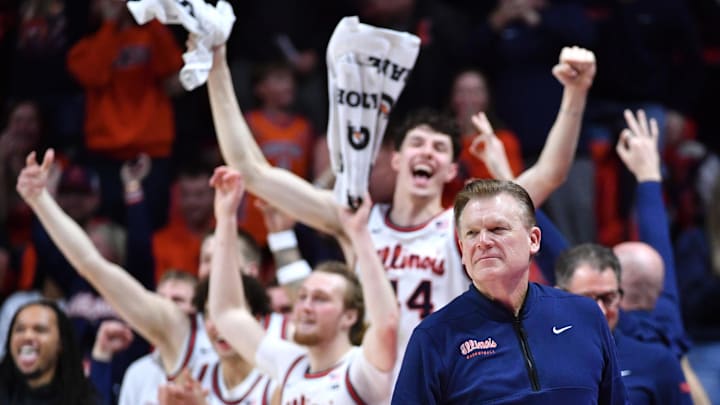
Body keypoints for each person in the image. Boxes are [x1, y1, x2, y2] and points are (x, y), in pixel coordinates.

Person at [208, 42, 596, 378]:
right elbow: (253, 172)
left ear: (449, 170)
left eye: (439, 148)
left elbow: (549, 173)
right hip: (367, 384)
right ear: (396, 159)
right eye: (418, 143)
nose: (427, 151)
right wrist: (217, 60)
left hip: (443, 381)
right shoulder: (356, 222)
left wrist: (575, 93)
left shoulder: (463, 228)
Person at [15, 150, 283, 405]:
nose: (212, 269)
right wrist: (41, 202)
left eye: (222, 257)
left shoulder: (285, 334)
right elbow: (94, 266)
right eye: (205, 260)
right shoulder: (181, 329)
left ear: (252, 271)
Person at [392, 179, 626, 403]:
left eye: (497, 229)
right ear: (462, 250)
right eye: (472, 233)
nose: (483, 241)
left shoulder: (585, 315)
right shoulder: (434, 337)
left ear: (533, 239)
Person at [207, 166, 399, 404]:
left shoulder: (361, 370)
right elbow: (227, 313)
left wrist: (359, 234)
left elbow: (386, 323)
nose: (306, 306)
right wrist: (225, 217)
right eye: (303, 297)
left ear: (349, 316)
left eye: (320, 298)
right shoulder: (290, 364)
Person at [555, 243, 692, 405]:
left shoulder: (657, 362)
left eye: (608, 298)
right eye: (587, 300)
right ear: (558, 296)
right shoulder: (539, 358)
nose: (601, 311)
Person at [0, 300, 102, 404]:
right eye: (20, 329)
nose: (27, 336)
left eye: (40, 329)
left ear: (61, 343)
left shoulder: (84, 398)